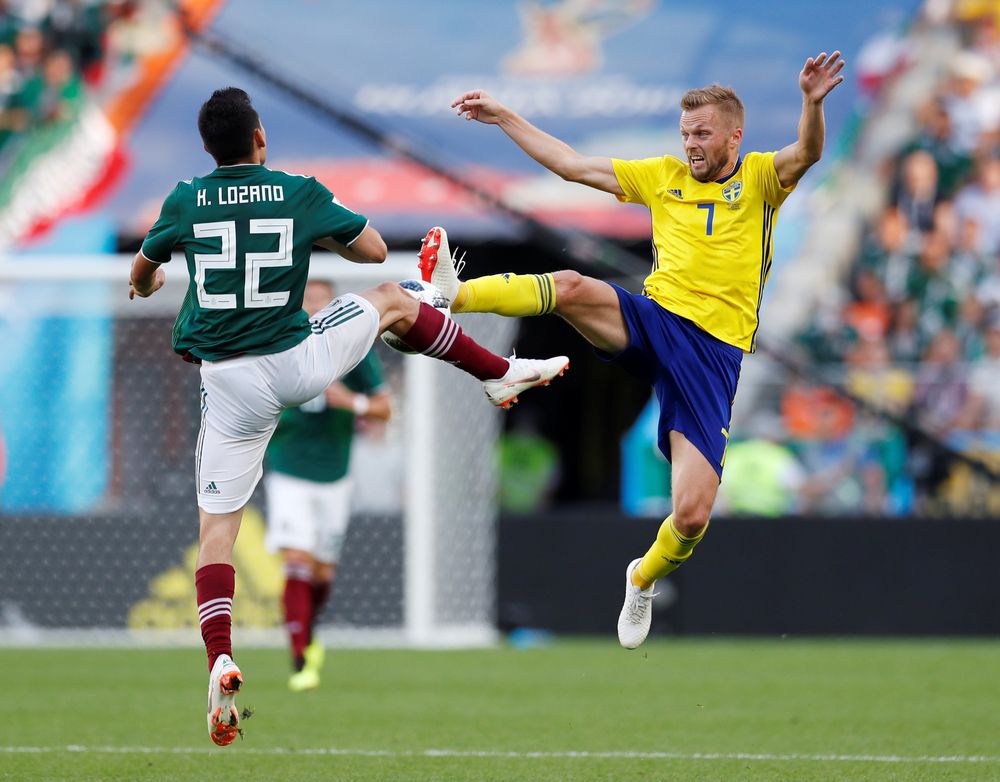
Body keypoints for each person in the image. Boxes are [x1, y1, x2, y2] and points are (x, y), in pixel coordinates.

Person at [128, 87, 568, 746]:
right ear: (261, 139)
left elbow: (142, 272)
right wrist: (314, 236)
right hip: (295, 358)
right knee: (393, 296)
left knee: (217, 532)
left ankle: (219, 656)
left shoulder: (185, 197)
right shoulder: (296, 189)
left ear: (208, 147)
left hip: (226, 385)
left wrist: (149, 283)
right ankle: (497, 374)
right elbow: (367, 250)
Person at [423, 51, 845, 649]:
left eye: (702, 134)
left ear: (734, 134)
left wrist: (811, 103)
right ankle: (455, 292)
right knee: (571, 287)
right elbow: (570, 165)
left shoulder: (758, 179)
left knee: (693, 515)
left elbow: (808, 153)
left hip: (713, 356)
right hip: (655, 320)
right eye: (685, 134)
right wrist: (504, 117)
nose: (692, 144)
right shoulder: (662, 176)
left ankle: (641, 577)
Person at [264, 279, 392, 693]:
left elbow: (384, 409)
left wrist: (349, 402)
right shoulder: (278, 346)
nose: (315, 307)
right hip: (289, 469)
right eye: (308, 300)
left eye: (322, 300)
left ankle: (310, 632)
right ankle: (300, 659)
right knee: (297, 559)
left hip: (335, 473)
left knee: (322, 571)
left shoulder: (352, 352)